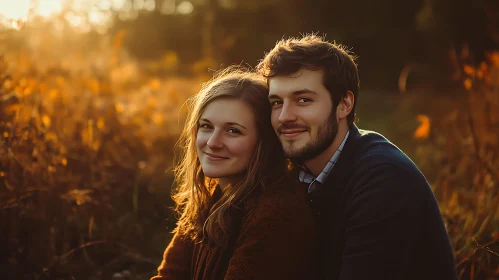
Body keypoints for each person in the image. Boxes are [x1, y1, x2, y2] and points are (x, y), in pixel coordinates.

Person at [257, 35, 458, 280]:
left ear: (344, 104)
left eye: (303, 100)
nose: (284, 116)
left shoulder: (385, 180)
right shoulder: (294, 172)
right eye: (277, 102)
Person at [150, 68, 319, 280]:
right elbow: (169, 276)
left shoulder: (276, 214)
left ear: (264, 142)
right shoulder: (212, 195)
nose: (213, 143)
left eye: (233, 131)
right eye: (206, 126)